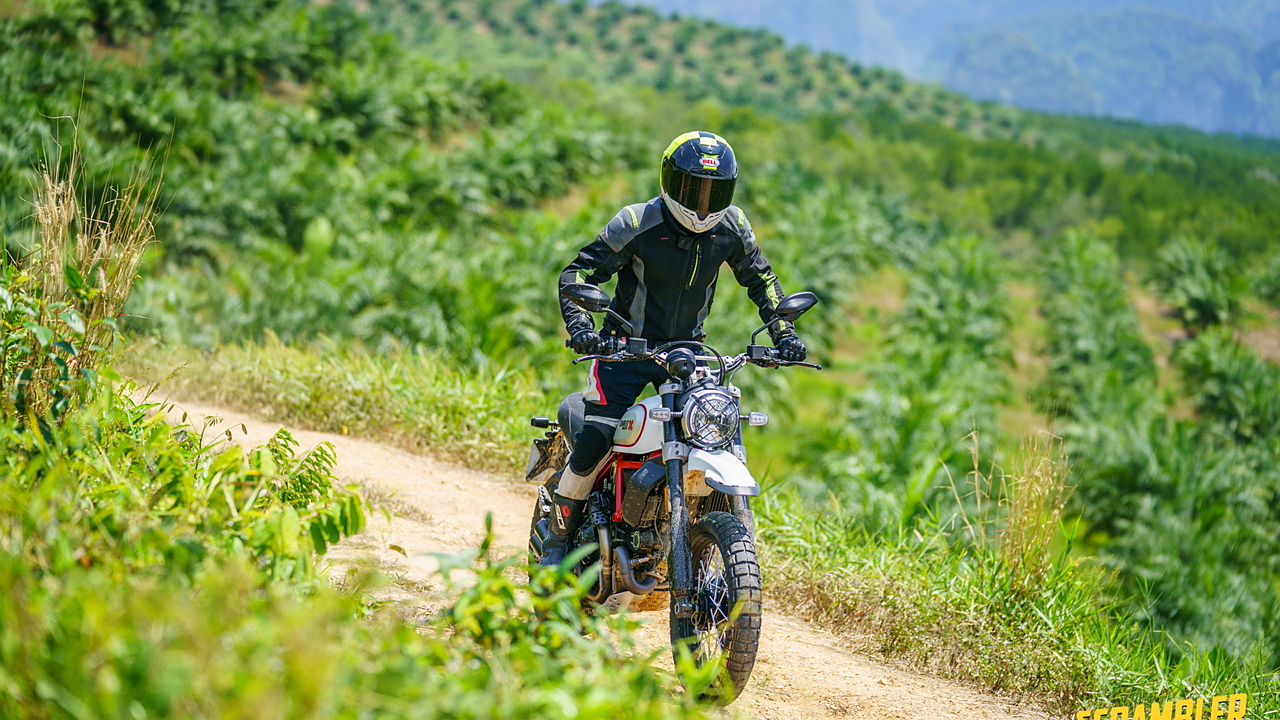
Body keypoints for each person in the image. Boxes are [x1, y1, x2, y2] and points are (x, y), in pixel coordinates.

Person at [539, 130, 808, 566]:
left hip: (688, 356)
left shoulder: (733, 226)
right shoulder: (636, 222)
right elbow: (578, 276)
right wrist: (584, 328)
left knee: (713, 430)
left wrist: (785, 335)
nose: (703, 204)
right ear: (668, 180)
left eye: (714, 191)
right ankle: (556, 541)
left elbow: (763, 282)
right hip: (624, 351)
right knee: (595, 440)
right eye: (693, 189)